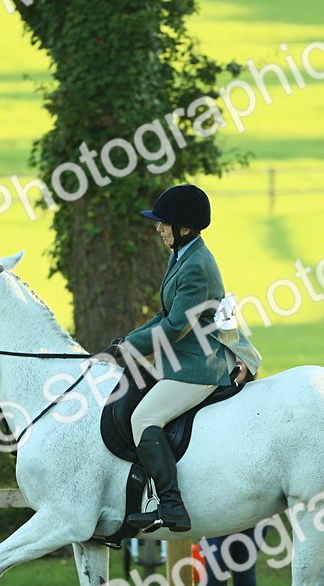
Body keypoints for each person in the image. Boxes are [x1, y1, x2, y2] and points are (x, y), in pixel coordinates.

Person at [108, 184, 261, 533]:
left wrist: (131, 348)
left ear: (185, 227)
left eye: (164, 223)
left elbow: (177, 326)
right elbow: (164, 314)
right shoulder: (181, 255)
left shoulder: (197, 267)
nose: (158, 229)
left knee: (144, 417)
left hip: (198, 365)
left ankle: (171, 506)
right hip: (179, 359)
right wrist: (129, 340)